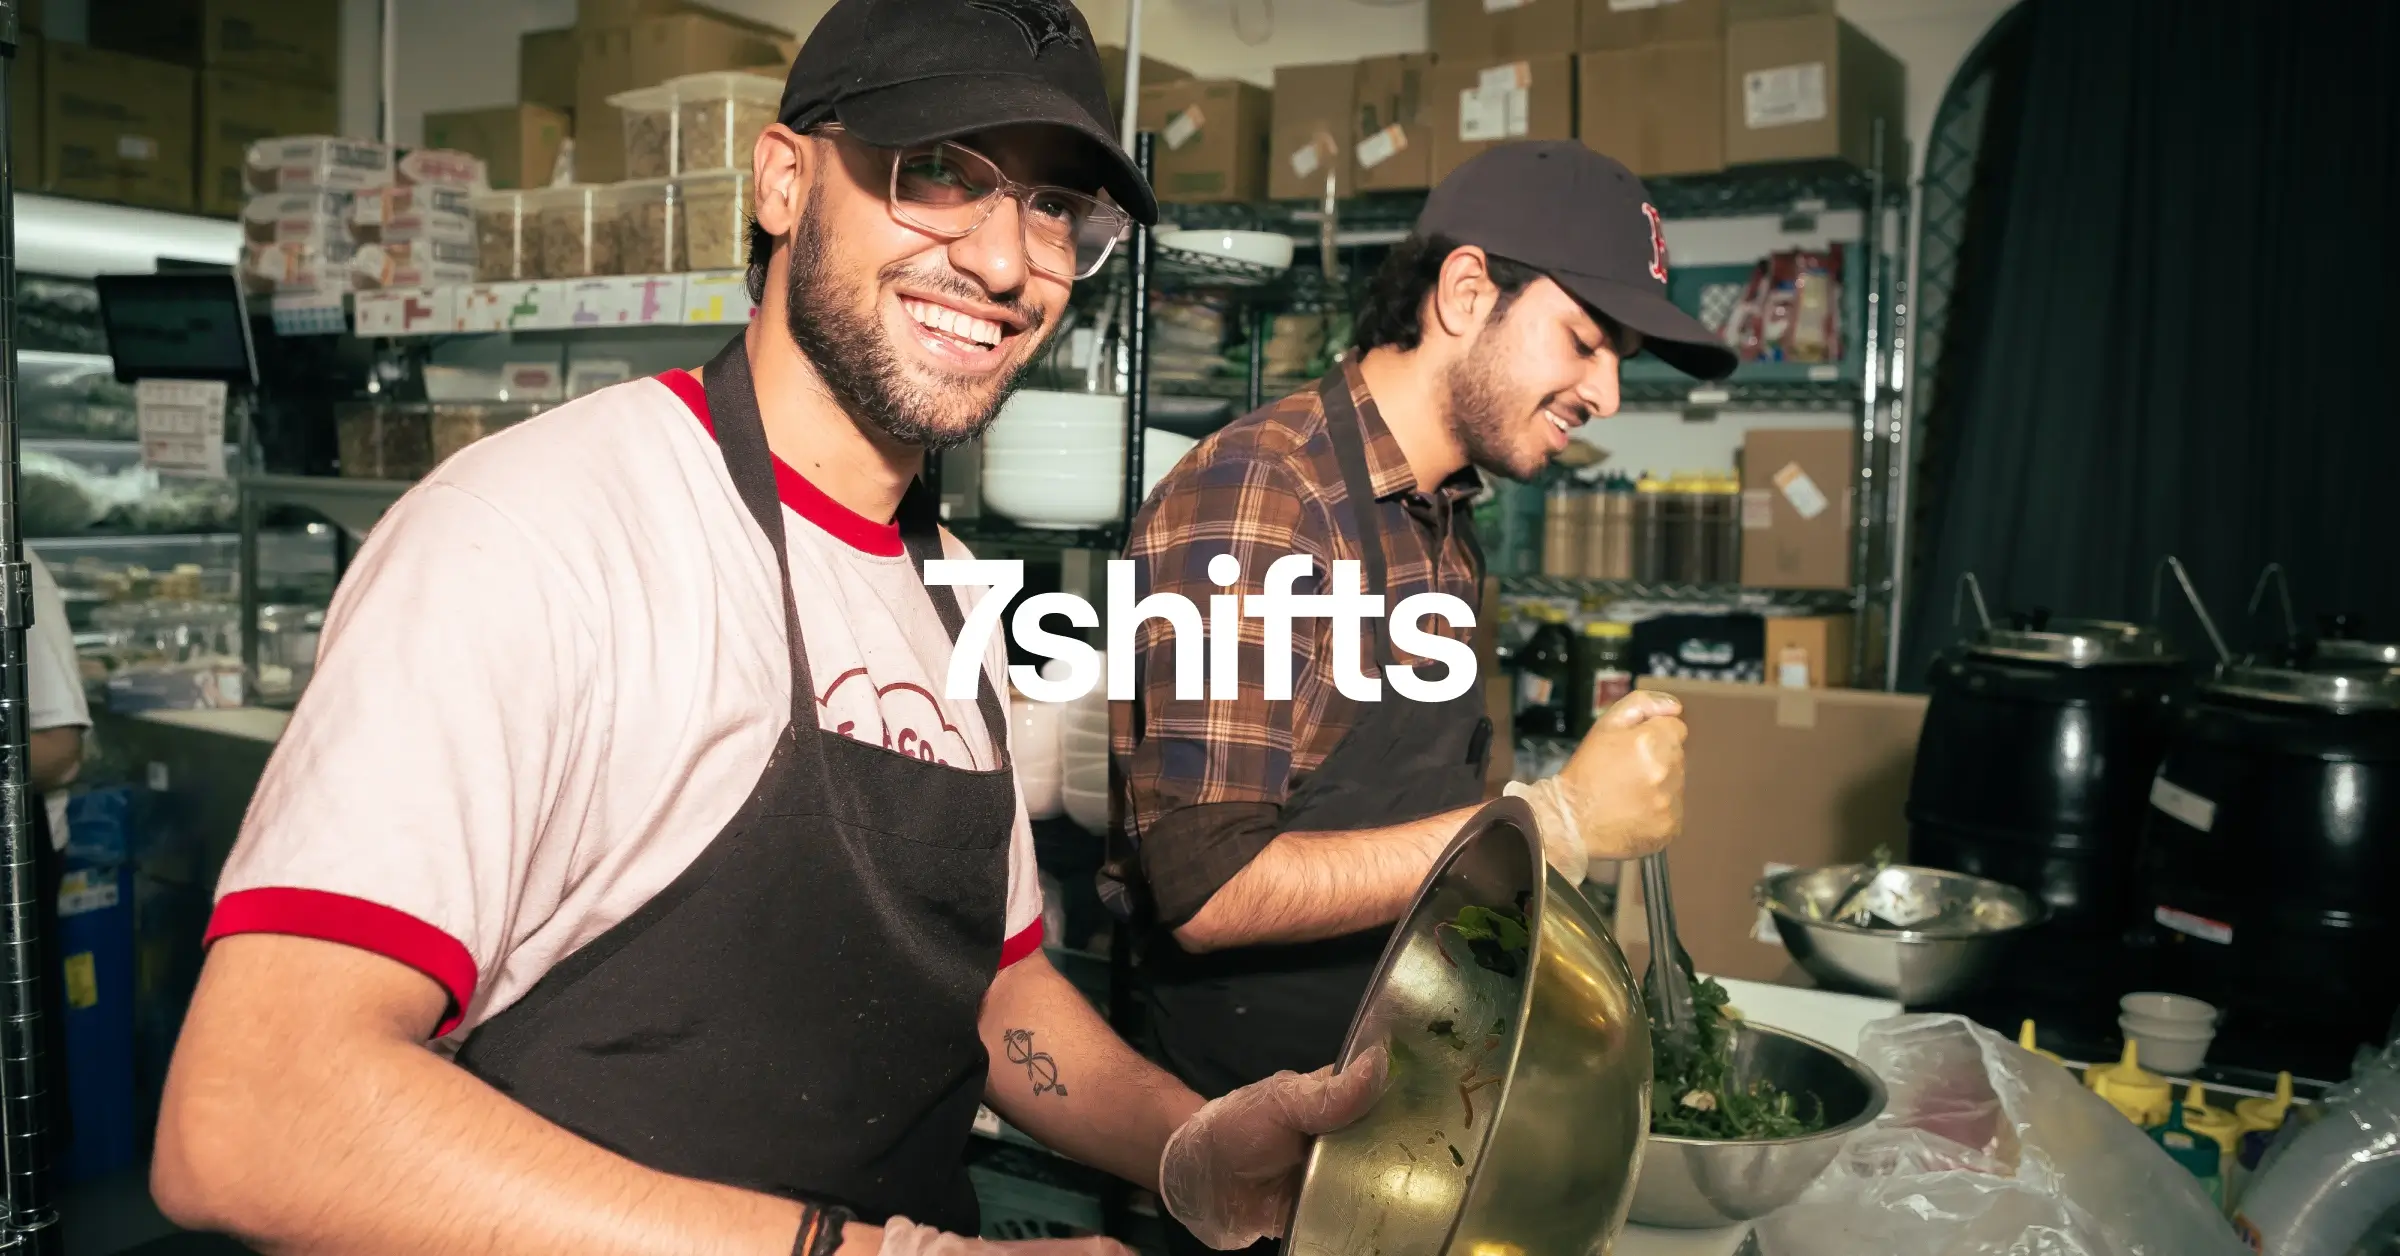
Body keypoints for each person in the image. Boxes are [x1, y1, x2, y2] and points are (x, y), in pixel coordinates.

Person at [151, 4, 1383, 1254]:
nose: (1009, 264)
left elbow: (995, 988)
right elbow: (255, 1111)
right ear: (784, 180)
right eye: (942, 171)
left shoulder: (950, 587)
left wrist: (1184, 1141)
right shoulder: (534, 534)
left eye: (1055, 207)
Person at [1105, 141, 1740, 1255]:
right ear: (1464, 292)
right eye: (1586, 342)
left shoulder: (1443, 525)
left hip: (1388, 1132)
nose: (1606, 391)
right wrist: (1558, 824)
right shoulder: (1266, 494)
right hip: (1243, 1162)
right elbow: (1206, 885)